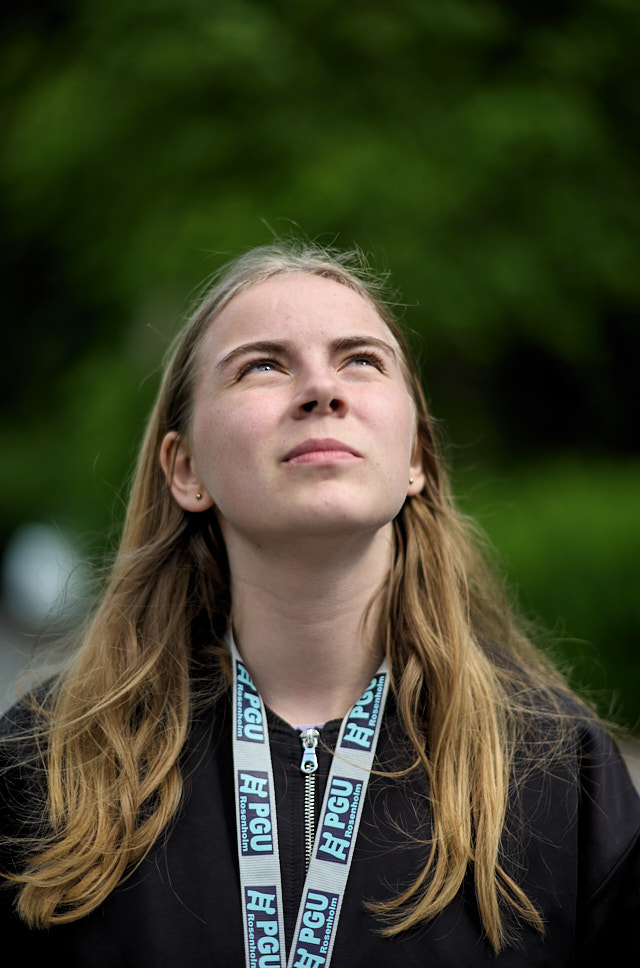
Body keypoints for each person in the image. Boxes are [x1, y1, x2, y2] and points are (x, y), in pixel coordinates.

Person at [1, 241, 638, 967]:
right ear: (185, 469)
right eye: (263, 365)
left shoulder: (557, 770)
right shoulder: (46, 766)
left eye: (360, 360)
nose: (322, 390)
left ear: (415, 461)